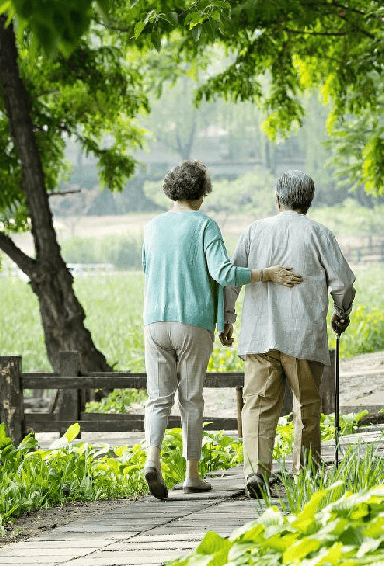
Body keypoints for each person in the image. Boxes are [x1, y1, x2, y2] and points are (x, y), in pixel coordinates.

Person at [141, 159, 302, 501]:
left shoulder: (152, 227)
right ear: (201, 191)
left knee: (158, 398)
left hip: (154, 321)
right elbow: (225, 274)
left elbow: (148, 269)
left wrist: (220, 316)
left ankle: (151, 460)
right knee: (191, 399)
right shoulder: (204, 225)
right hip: (192, 324)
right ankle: (192, 474)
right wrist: (266, 274)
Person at [222, 169, 355, 498]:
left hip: (258, 333)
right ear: (308, 202)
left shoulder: (254, 231)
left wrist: (226, 318)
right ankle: (306, 472)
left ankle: (256, 472)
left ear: (277, 197)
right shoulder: (318, 233)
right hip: (302, 335)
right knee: (307, 405)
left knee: (257, 405)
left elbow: (233, 278)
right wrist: (342, 312)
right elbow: (344, 283)